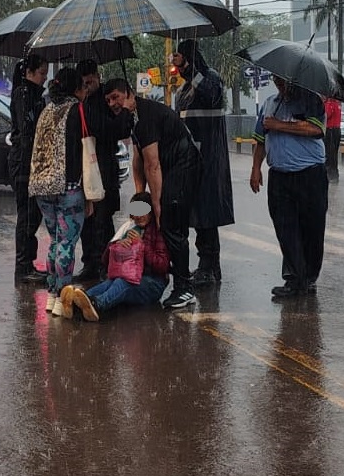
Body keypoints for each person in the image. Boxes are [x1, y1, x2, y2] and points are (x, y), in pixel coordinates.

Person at [102, 77, 201, 310]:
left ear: (128, 93)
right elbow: (137, 159)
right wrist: (140, 201)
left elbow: (152, 165)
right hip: (168, 168)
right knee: (159, 217)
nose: (112, 103)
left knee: (169, 222)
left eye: (116, 97)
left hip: (183, 168)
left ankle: (184, 288)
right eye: (108, 100)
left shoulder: (145, 116)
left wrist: (155, 205)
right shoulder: (133, 119)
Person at [249, 74, 328, 300]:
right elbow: (261, 139)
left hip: (309, 174)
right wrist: (256, 168)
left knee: (311, 228)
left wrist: (279, 125)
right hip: (280, 175)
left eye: (284, 79)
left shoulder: (311, 100)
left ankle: (308, 277)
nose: (280, 83)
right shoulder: (270, 104)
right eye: (276, 79)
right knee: (285, 228)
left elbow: (315, 129)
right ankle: (294, 277)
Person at [28, 67, 92, 317]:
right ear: (76, 89)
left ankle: (52, 294)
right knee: (67, 242)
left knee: (55, 240)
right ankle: (63, 296)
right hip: (68, 187)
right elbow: (82, 150)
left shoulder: (47, 110)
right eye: (83, 87)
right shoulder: (76, 110)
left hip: (42, 187)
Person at [172, 39, 235, 288]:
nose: (180, 62)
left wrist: (189, 69)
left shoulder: (211, 78)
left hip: (210, 158)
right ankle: (206, 265)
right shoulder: (183, 91)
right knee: (195, 213)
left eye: (184, 56)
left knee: (206, 213)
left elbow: (211, 96)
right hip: (189, 158)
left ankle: (209, 266)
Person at [62, 193, 170, 321]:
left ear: (151, 212)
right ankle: (78, 302)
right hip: (127, 276)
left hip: (152, 283)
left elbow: (162, 266)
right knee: (109, 283)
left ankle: (97, 305)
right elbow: (105, 260)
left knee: (121, 283)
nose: (138, 216)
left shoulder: (157, 231)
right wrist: (117, 246)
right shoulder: (128, 227)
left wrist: (143, 246)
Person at [76, 59, 133, 284]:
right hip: (88, 169)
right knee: (88, 221)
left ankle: (105, 264)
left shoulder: (104, 102)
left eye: (91, 80)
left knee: (102, 220)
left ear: (97, 77)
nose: (88, 84)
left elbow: (115, 130)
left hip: (105, 169)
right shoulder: (83, 103)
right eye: (84, 82)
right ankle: (90, 263)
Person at [9, 53, 49, 284]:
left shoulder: (34, 95)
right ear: (29, 73)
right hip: (24, 163)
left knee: (32, 216)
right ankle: (23, 267)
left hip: (31, 163)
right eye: (42, 73)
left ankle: (27, 263)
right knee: (27, 217)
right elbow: (28, 131)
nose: (44, 78)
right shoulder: (23, 94)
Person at [323, 96, 343, 184]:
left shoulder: (330, 103)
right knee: (333, 153)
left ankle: (330, 174)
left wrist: (324, 104)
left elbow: (327, 114)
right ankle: (333, 174)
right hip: (336, 130)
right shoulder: (337, 103)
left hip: (330, 130)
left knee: (329, 153)